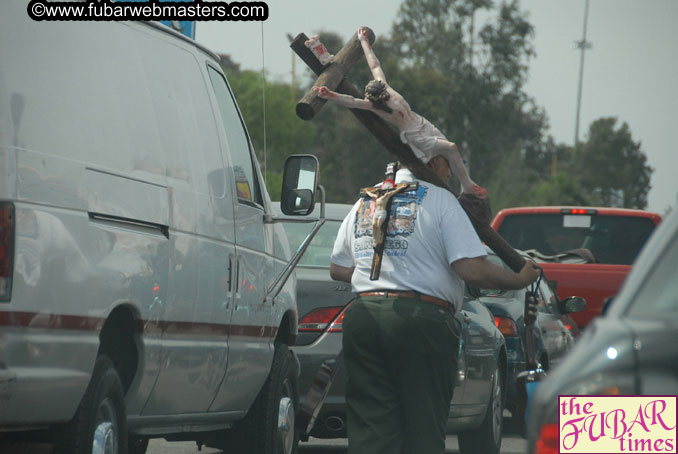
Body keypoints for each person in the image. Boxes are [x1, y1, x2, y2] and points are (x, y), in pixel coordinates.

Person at [330, 154, 540, 454]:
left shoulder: (366, 200)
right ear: (433, 163)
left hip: (364, 316)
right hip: (421, 321)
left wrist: (382, 281)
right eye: (450, 166)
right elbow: (471, 270)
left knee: (371, 427)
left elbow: (338, 267)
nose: (452, 175)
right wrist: (519, 279)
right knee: (423, 423)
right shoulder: (442, 201)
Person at [316, 27, 486, 199]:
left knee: (449, 153)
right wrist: (331, 95)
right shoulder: (374, 106)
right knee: (451, 148)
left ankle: (462, 184)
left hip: (421, 123)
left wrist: (363, 42)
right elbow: (352, 101)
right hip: (415, 136)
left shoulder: (384, 86)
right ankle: (468, 185)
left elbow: (374, 64)